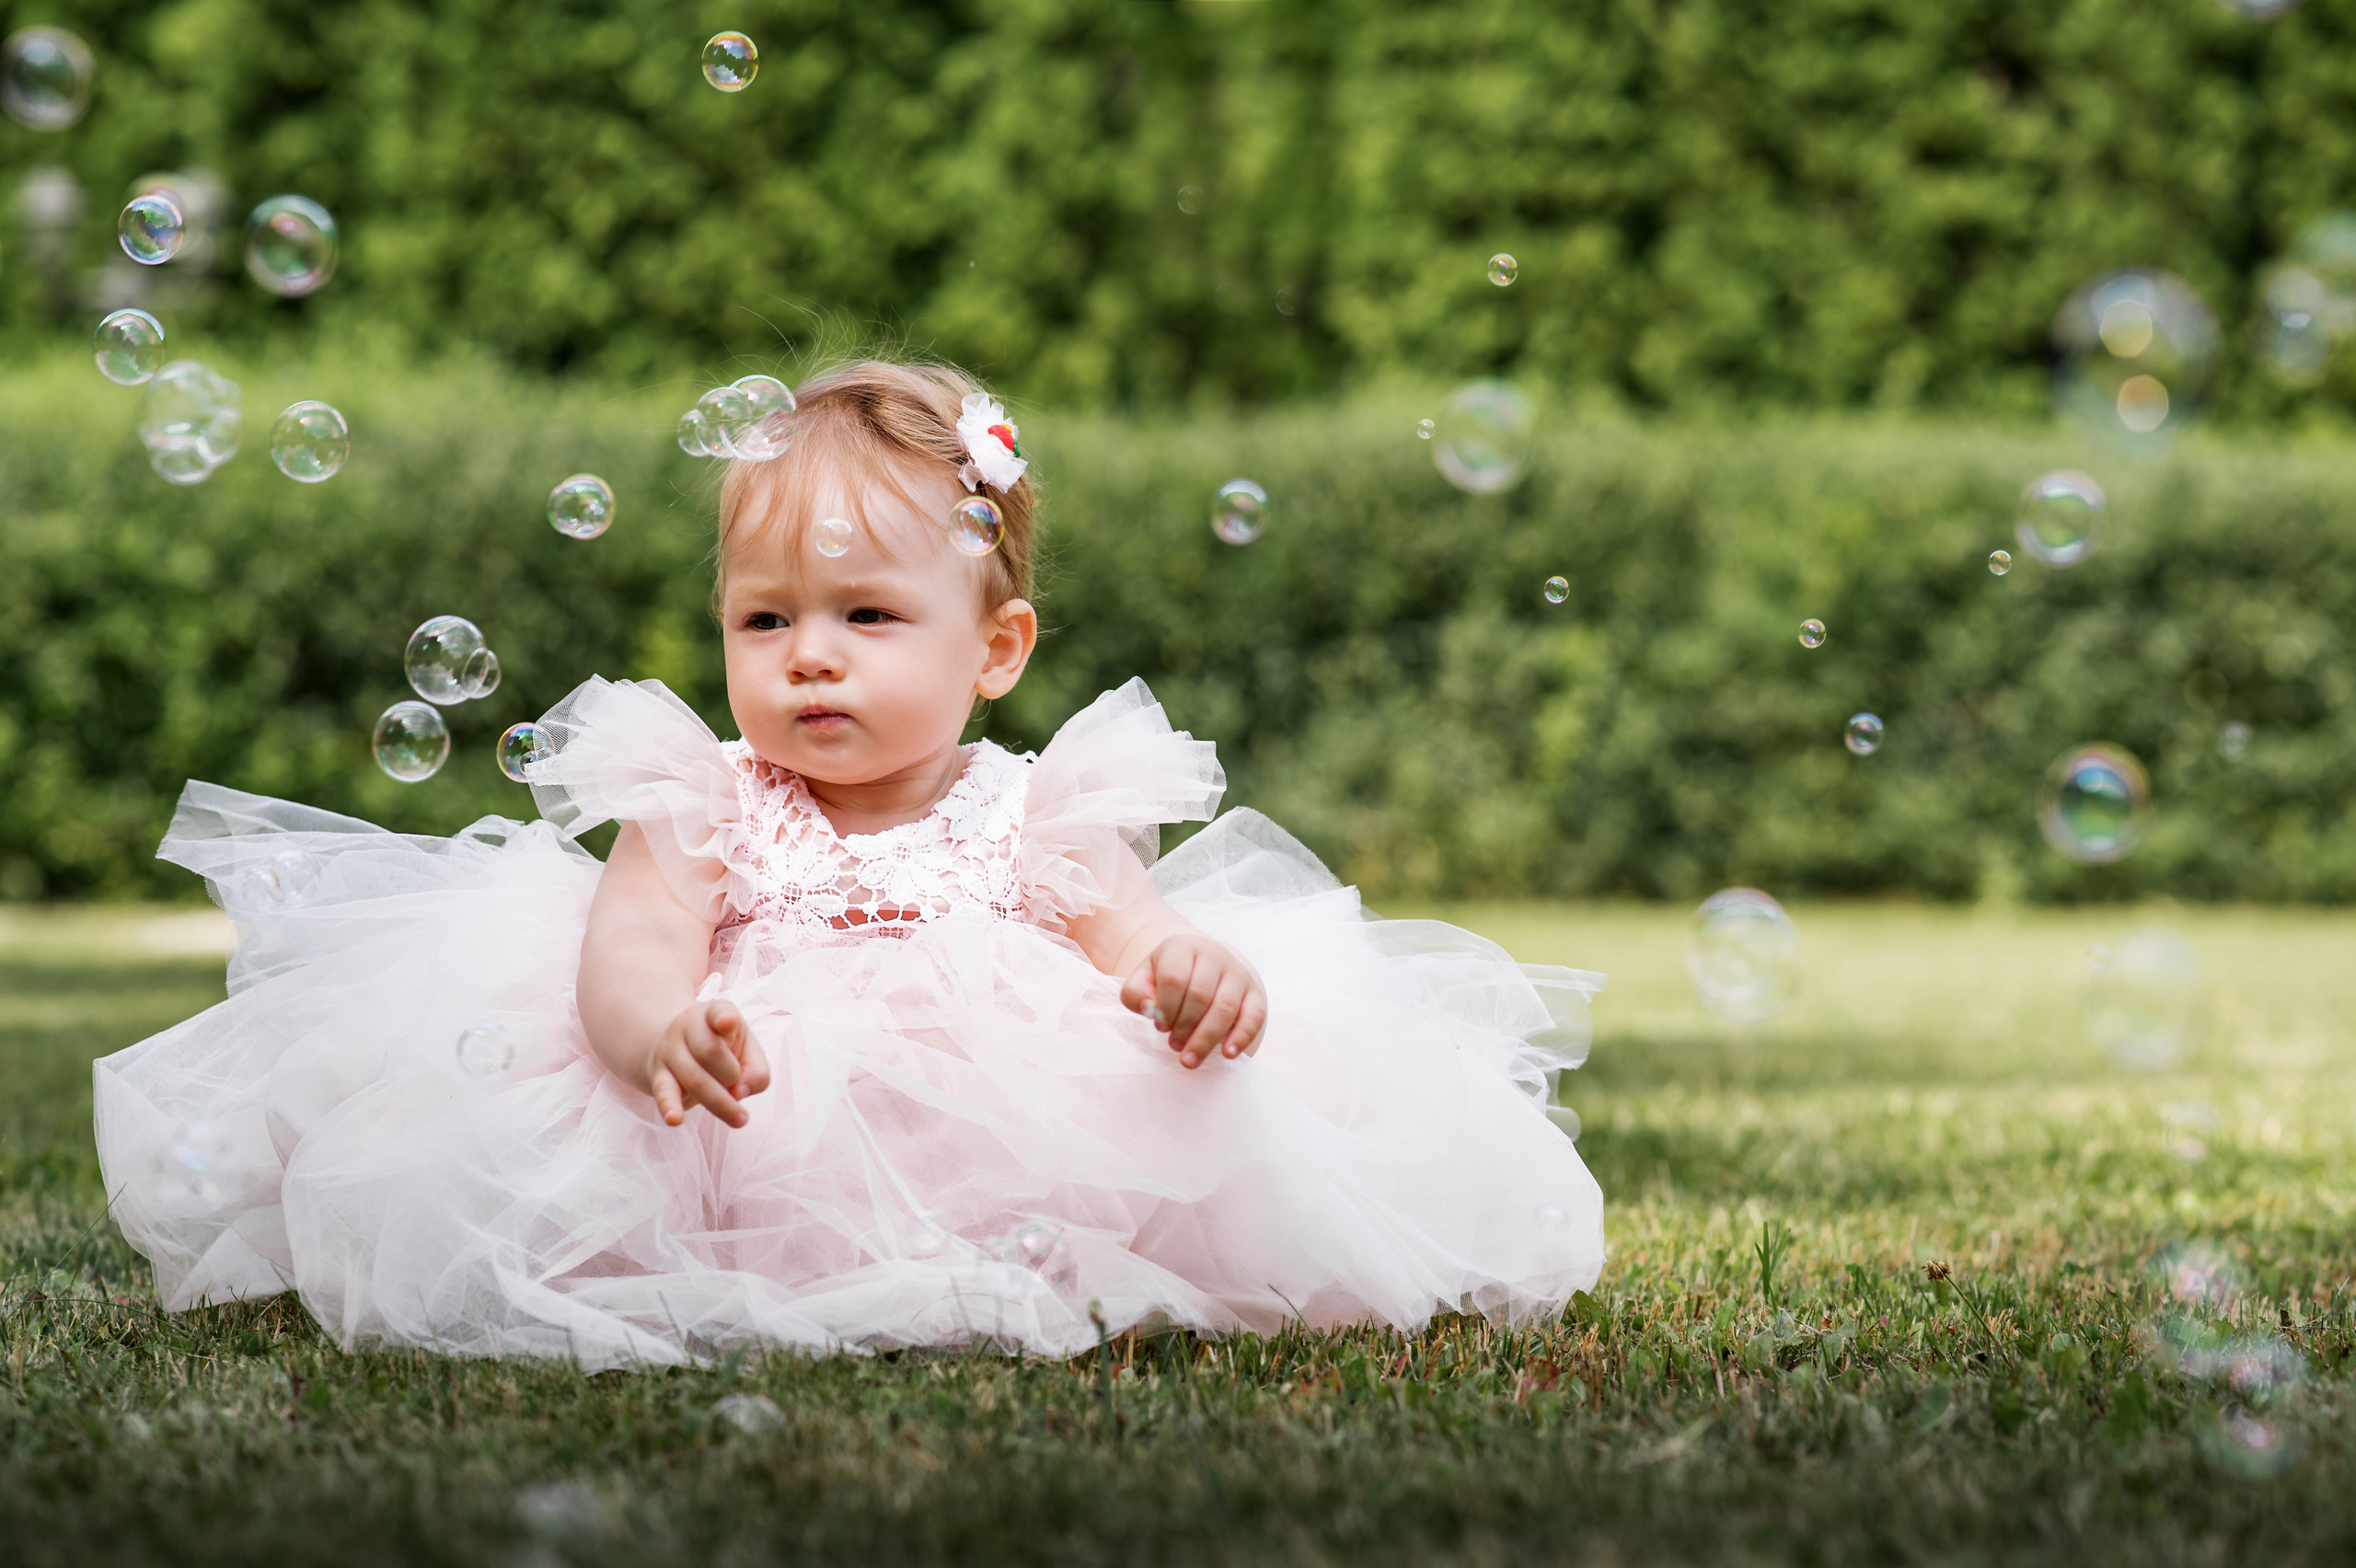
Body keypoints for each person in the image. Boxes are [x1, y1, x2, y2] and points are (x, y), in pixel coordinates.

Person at [93, 358, 1605, 1369]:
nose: (809, 659)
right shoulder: (695, 799)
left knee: (1162, 1126)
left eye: (868, 619)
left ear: (994, 648)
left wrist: (1186, 974)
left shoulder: (1045, 812)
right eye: (765, 620)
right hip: (744, 1121)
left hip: (1012, 1122)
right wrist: (653, 1031)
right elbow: (626, 952)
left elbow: (1132, 937)